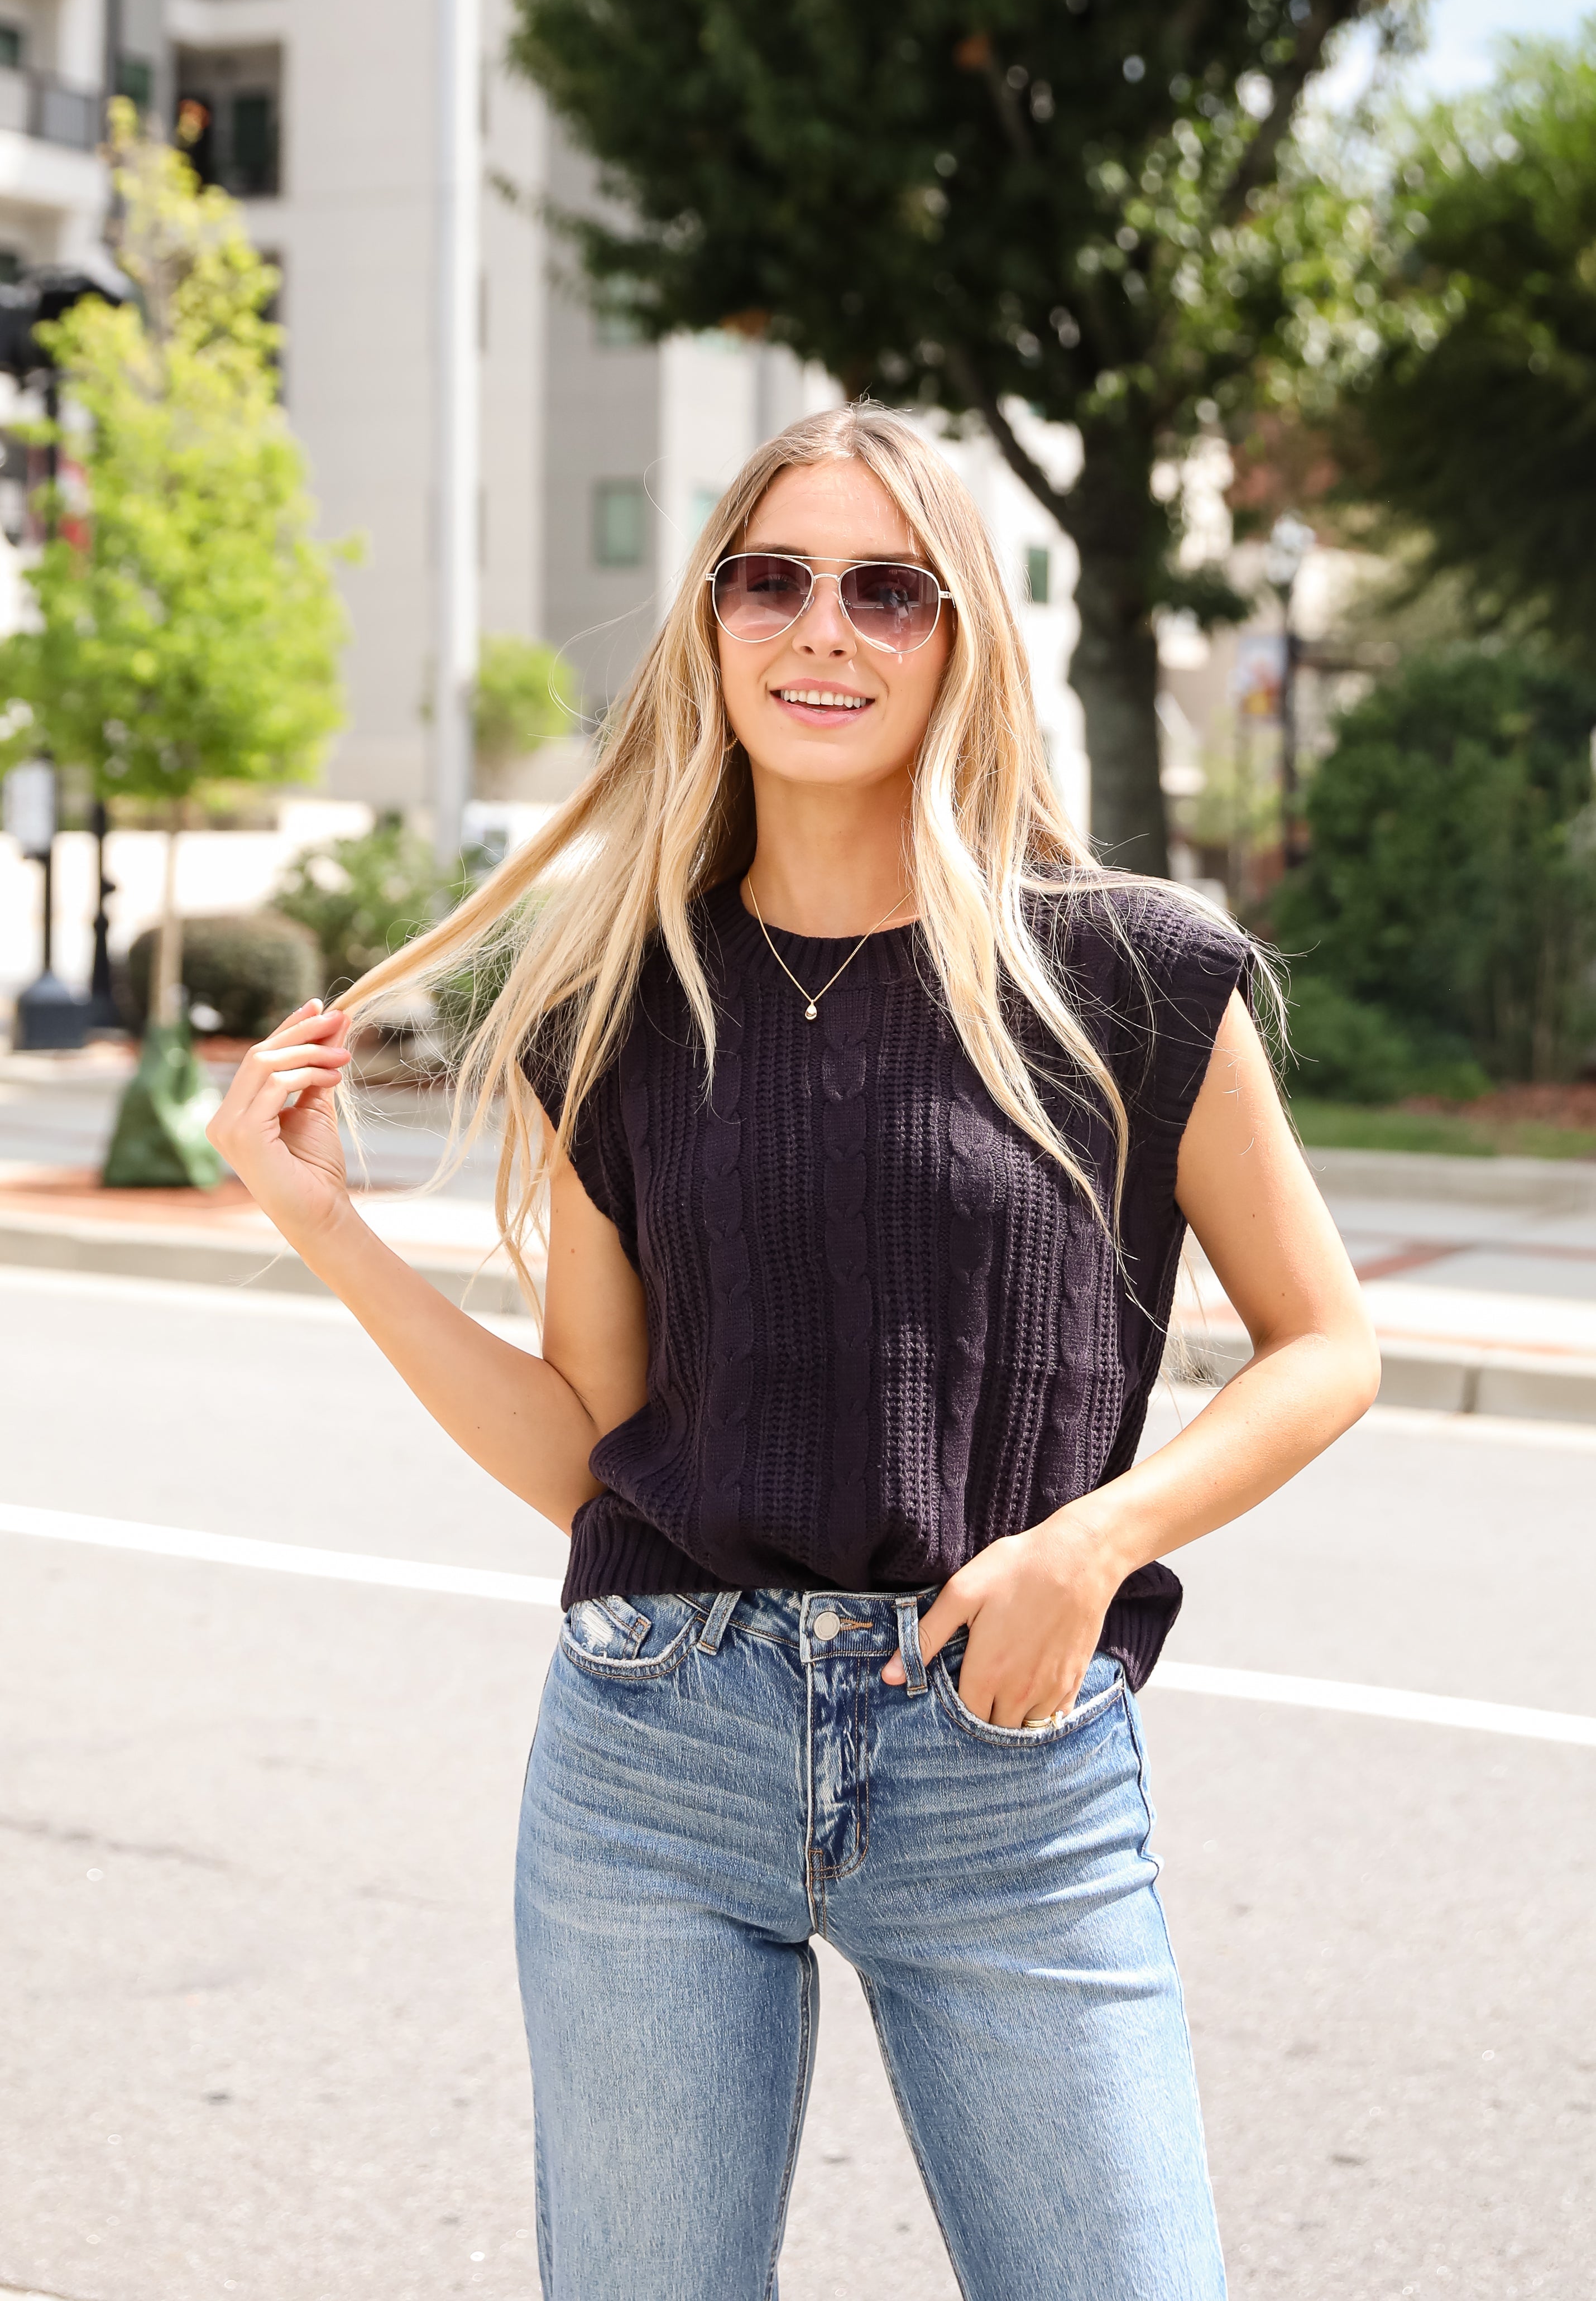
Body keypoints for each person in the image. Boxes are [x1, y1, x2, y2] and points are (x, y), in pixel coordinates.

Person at [209, 404, 1379, 2301]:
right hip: (656, 1752)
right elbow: (588, 1451)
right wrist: (321, 1222)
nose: (820, 630)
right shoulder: (618, 1001)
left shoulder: (1124, 973)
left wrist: (1087, 1547)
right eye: (772, 579)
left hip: (1005, 1760)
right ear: (711, 624)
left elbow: (1324, 1347)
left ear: (960, 637)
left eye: (884, 591)